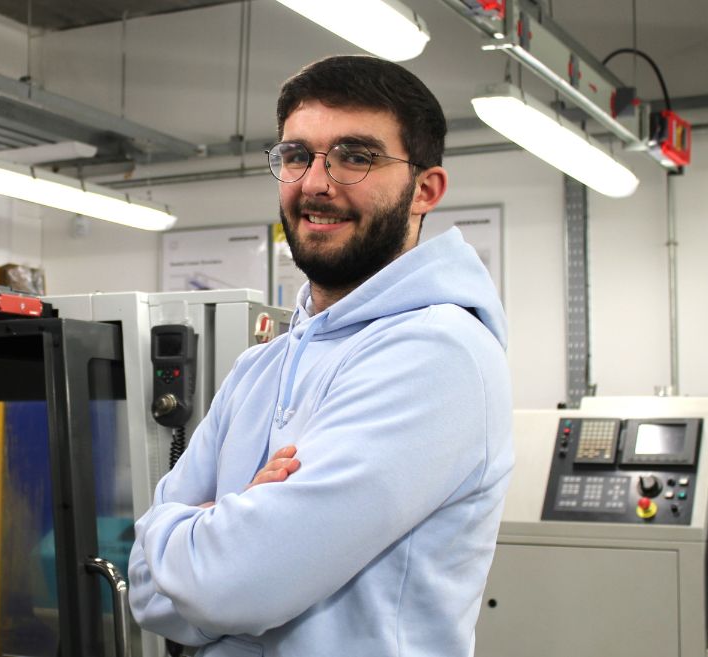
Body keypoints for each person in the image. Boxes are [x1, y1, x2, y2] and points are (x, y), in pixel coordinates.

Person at [127, 55, 514, 657]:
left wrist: (187, 533)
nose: (314, 182)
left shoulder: (439, 353)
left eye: (355, 157)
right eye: (296, 156)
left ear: (425, 190)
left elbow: (234, 584)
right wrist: (222, 540)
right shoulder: (259, 368)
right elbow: (145, 594)